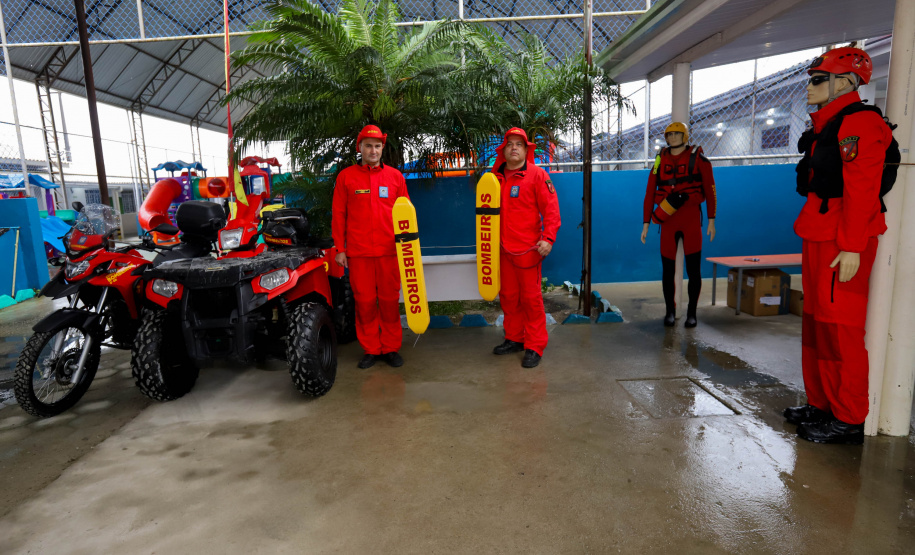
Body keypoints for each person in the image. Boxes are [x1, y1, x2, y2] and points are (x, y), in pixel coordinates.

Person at [785, 47, 894, 445]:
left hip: (842, 238)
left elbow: (862, 190)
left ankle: (848, 417)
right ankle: (822, 403)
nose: (810, 87)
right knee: (816, 324)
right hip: (819, 231)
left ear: (846, 82)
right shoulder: (826, 126)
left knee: (841, 329)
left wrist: (851, 246)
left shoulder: (859, 124)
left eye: (819, 80)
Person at [332, 125, 410, 369]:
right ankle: (371, 349)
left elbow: (406, 214)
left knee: (389, 301)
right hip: (359, 253)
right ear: (360, 148)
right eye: (368, 146)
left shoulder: (395, 177)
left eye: (377, 146)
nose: (373, 151)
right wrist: (339, 248)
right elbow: (338, 214)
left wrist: (406, 248)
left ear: (382, 148)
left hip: (390, 252)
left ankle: (391, 347)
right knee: (364, 303)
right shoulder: (346, 177)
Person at [489, 127, 561, 368]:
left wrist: (548, 238)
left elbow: (551, 210)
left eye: (519, 144)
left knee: (531, 299)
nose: (514, 148)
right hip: (501, 251)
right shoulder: (494, 178)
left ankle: (534, 345)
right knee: (508, 298)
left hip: (529, 251)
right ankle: (514, 338)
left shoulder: (537, 175)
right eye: (510, 144)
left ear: (526, 149)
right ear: (503, 150)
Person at [641, 122, 717, 328]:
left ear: (685, 136)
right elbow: (650, 192)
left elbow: (710, 190)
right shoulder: (659, 160)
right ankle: (670, 311)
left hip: (691, 220)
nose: (672, 137)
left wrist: (711, 219)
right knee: (668, 271)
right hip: (668, 222)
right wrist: (646, 222)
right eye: (669, 134)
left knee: (693, 271)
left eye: (676, 133)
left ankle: (692, 313)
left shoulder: (699, 159)